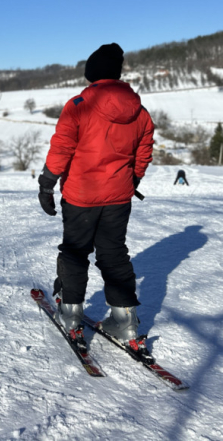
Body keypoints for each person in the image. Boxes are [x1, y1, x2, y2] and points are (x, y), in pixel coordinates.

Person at [37, 43, 154, 352]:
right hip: (118, 196)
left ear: (92, 74)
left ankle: (71, 316)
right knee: (114, 254)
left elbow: (62, 147)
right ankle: (125, 322)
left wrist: (47, 183)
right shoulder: (140, 112)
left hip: (81, 196)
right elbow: (144, 152)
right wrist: (132, 179)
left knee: (76, 253)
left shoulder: (79, 104)